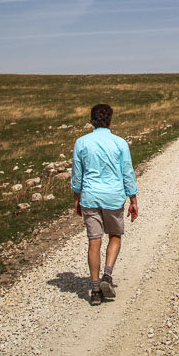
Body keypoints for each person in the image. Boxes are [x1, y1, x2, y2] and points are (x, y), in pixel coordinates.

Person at [70, 103, 139, 306]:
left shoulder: (81, 143)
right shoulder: (119, 143)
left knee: (94, 241)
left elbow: (77, 174)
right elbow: (127, 171)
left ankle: (94, 290)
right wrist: (133, 198)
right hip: (113, 197)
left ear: (92, 120)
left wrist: (77, 197)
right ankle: (107, 276)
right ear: (110, 120)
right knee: (115, 236)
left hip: (90, 197)